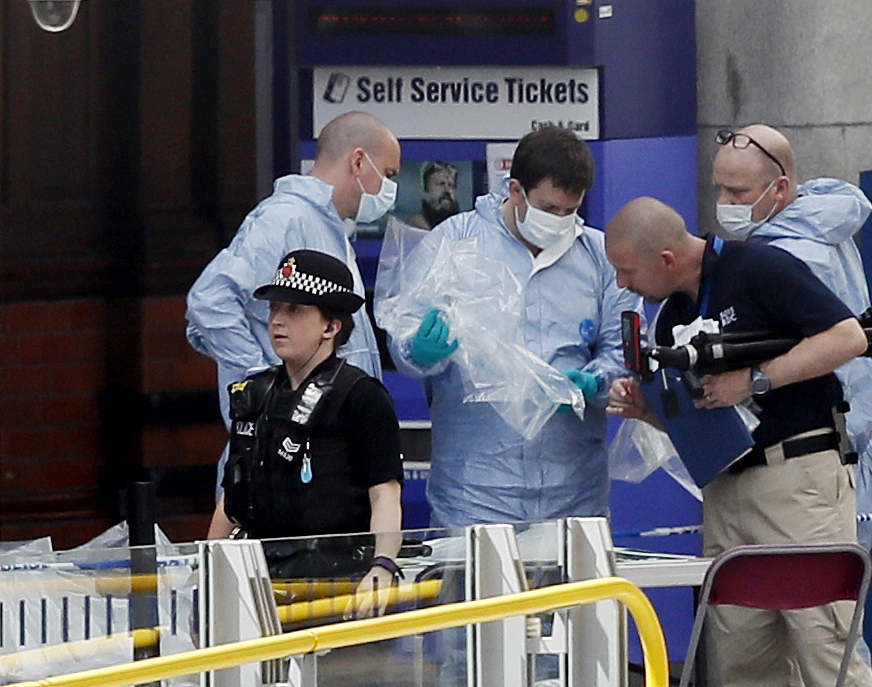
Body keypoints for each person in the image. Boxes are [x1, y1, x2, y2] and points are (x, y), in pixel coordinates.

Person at [605, 197, 872, 687]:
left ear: (666, 256)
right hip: (727, 486)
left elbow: (848, 337)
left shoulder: (759, 269)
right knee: (741, 654)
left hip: (797, 474)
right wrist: (650, 408)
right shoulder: (671, 315)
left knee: (822, 641)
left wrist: (756, 380)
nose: (624, 286)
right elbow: (701, 413)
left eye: (628, 272)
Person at [379, 126, 641, 527]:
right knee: (476, 591)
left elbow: (624, 351)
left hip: (574, 496)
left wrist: (595, 381)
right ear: (516, 191)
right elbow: (404, 334)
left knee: (575, 592)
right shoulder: (456, 242)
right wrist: (419, 348)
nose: (560, 221)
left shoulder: (598, 258)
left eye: (571, 211)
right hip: (474, 495)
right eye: (550, 209)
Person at [207, 248, 405, 687]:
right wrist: (207, 570)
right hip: (264, 584)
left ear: (331, 326)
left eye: (295, 309)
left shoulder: (361, 397)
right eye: (275, 307)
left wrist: (382, 567)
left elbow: (384, 490)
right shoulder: (256, 394)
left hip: (342, 583)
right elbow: (235, 493)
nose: (277, 319)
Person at [712, 123, 872, 552]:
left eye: (737, 193)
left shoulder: (790, 255)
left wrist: (751, 380)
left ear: (779, 188)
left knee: (817, 608)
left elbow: (836, 354)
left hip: (815, 461)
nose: (724, 203)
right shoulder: (824, 217)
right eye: (719, 189)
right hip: (849, 453)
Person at [186, 110, 401, 425]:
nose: (391, 190)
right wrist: (261, 381)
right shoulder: (285, 220)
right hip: (288, 447)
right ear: (358, 162)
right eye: (389, 173)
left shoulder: (330, 231)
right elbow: (210, 301)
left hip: (327, 445)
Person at [406, 161, 460, 230]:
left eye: (451, 185)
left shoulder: (462, 227)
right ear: (425, 190)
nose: (447, 190)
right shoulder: (412, 228)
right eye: (441, 184)